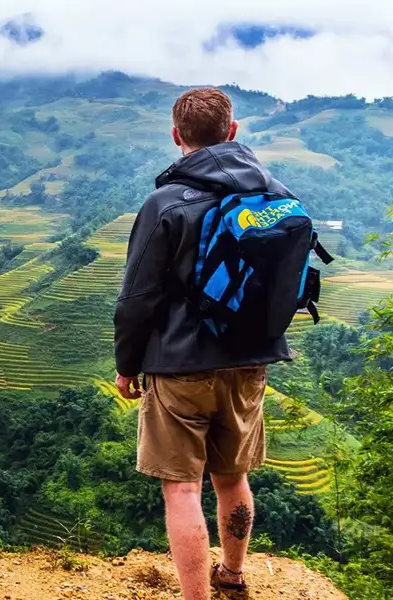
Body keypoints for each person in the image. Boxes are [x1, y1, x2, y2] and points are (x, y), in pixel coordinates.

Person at [113, 88, 292, 600]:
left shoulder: (165, 203)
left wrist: (128, 365)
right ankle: (233, 578)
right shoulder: (272, 195)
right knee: (233, 477)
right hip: (249, 360)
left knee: (182, 487)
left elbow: (137, 298)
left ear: (176, 136)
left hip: (179, 365)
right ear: (232, 132)